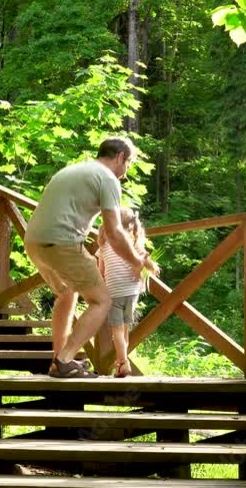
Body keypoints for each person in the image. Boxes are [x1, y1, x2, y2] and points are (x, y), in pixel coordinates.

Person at [24, 136, 159, 378]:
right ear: (120, 157)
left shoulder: (73, 170)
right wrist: (136, 261)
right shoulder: (107, 178)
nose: (126, 173)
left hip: (33, 242)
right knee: (102, 301)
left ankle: (59, 359)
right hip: (62, 242)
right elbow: (115, 232)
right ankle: (65, 361)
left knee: (66, 292)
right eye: (128, 164)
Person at [97, 206, 154, 378]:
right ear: (131, 225)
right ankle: (123, 362)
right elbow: (146, 261)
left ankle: (123, 362)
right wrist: (153, 268)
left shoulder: (104, 245)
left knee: (117, 331)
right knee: (125, 329)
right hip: (132, 291)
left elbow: (101, 271)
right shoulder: (133, 244)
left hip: (114, 291)